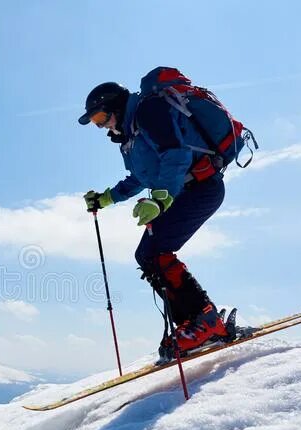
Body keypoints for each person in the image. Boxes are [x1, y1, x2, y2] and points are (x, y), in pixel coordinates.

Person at [78, 79, 229, 362]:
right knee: (146, 253)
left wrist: (160, 198)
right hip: (185, 191)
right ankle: (194, 325)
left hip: (202, 187)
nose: (101, 127)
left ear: (115, 107)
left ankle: (204, 323)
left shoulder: (149, 111)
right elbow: (140, 178)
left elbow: (177, 153)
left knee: (155, 251)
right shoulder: (131, 138)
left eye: (100, 118)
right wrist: (105, 198)